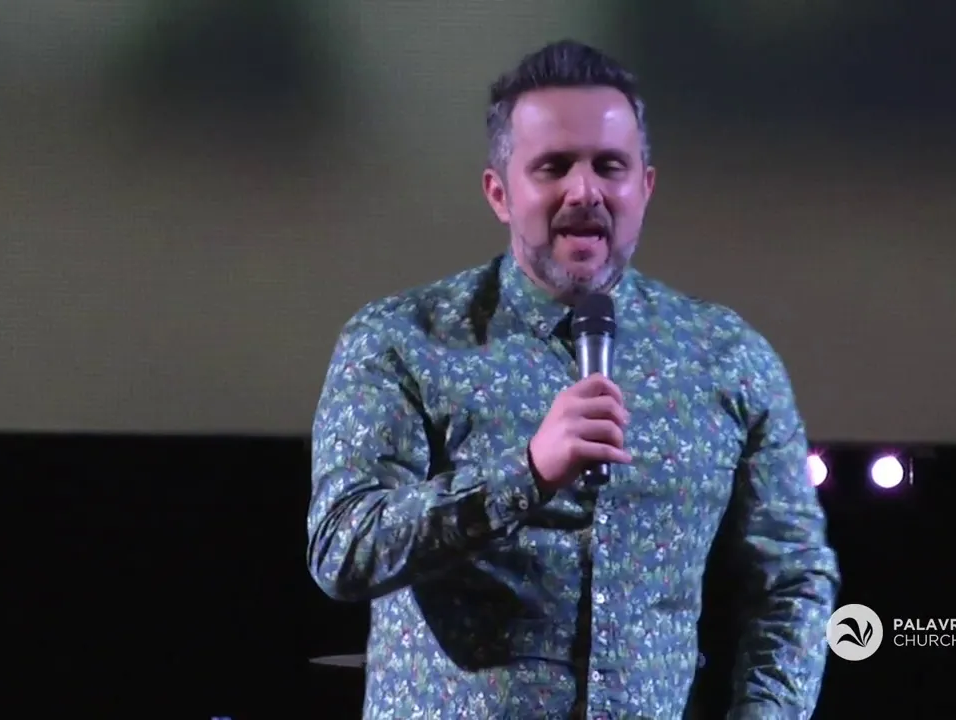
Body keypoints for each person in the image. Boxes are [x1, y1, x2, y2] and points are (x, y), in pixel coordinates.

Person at [306, 39, 840, 720]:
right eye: (553, 166)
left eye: (610, 166)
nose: (584, 191)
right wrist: (525, 473)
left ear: (645, 187)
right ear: (500, 193)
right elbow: (343, 549)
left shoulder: (727, 357)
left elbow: (793, 580)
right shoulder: (403, 341)